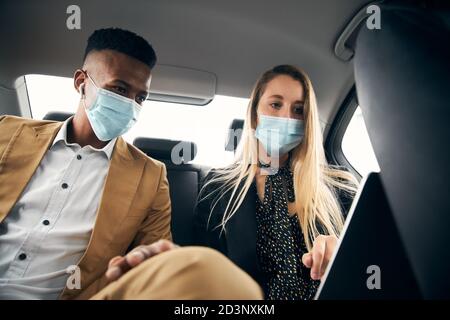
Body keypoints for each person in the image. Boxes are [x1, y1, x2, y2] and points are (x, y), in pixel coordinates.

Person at [0, 28, 262, 300]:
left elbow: (156, 252)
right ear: (81, 82)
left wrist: (147, 261)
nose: (130, 104)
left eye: (140, 97)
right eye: (119, 89)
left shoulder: (150, 176)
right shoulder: (8, 131)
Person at [194, 65, 358, 300]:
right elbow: (204, 277)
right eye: (276, 104)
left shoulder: (340, 187)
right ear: (254, 115)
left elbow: (368, 265)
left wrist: (344, 258)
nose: (287, 117)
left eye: (298, 109)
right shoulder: (218, 189)